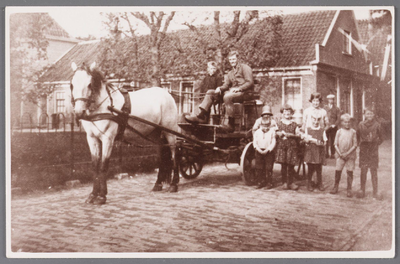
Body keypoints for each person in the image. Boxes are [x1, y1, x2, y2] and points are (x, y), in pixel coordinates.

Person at [185, 51, 254, 132]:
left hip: (245, 93)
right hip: (234, 93)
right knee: (211, 92)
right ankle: (201, 116)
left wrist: (239, 88)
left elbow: (250, 82)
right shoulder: (230, 73)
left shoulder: (245, 68)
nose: (232, 61)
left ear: (238, 59)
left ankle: (231, 124)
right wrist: (220, 88)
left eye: (234, 59)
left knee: (227, 96)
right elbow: (226, 85)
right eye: (231, 60)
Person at [356, 108, 383, 199]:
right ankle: (362, 190)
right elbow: (357, 136)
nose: (369, 116)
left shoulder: (377, 125)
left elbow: (381, 138)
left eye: (371, 114)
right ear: (364, 115)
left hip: (373, 150)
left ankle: (375, 191)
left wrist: (375, 143)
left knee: (373, 170)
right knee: (363, 170)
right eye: (367, 114)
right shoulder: (360, 124)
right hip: (364, 150)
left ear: (374, 115)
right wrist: (361, 144)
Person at [330, 114, 358, 197]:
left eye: (349, 122)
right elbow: (335, 144)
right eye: (345, 122)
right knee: (338, 170)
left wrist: (347, 153)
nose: (347, 124)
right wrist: (340, 153)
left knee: (350, 171)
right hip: (340, 155)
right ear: (342, 122)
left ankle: (349, 189)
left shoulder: (353, 132)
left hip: (350, 155)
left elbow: (355, 145)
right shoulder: (339, 132)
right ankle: (335, 186)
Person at [275, 104, 301, 190]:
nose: (287, 113)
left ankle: (291, 182)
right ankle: (284, 183)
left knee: (291, 165)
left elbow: (298, 135)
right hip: (282, 146)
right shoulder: (278, 124)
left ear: (291, 113)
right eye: (285, 112)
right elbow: (274, 133)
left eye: (289, 112)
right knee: (283, 165)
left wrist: (291, 135)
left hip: (291, 147)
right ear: (282, 113)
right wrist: (278, 133)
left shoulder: (294, 124)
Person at [253, 105, 277, 189]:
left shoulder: (273, 124)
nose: (265, 127)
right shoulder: (258, 129)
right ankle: (260, 181)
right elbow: (254, 141)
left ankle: (269, 182)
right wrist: (258, 149)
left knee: (268, 167)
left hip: (268, 151)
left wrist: (268, 149)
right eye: (264, 114)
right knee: (259, 167)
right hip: (259, 150)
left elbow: (273, 140)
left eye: (268, 114)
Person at [303, 112, 327, 192]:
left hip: (319, 152)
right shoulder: (308, 129)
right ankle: (310, 183)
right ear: (311, 120)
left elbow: (325, 141)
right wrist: (307, 140)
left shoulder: (322, 130)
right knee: (310, 168)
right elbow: (305, 140)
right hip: (310, 152)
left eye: (318, 120)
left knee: (318, 169)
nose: (316, 122)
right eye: (314, 120)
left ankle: (319, 183)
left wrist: (321, 143)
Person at [324, 94, 341, 158]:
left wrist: (335, 124)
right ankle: (326, 153)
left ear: (334, 100)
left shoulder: (336, 108)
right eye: (329, 99)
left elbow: (338, 118)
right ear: (328, 100)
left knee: (333, 140)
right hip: (327, 126)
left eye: (332, 99)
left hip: (334, 126)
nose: (331, 100)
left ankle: (332, 153)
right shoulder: (325, 108)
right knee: (326, 139)